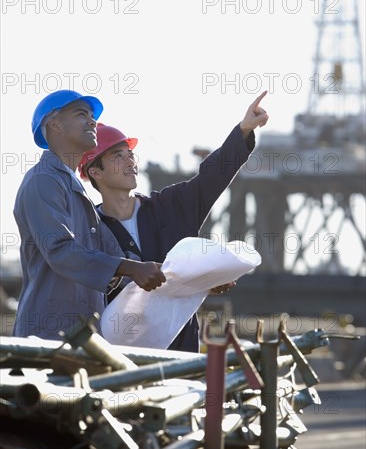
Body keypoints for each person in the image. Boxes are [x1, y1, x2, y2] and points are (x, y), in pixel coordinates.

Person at [78, 91, 269, 352]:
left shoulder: (169, 207)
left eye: (130, 153)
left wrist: (244, 130)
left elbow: (210, 179)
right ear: (95, 171)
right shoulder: (89, 229)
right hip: (117, 359)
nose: (130, 161)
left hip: (178, 356)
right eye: (117, 156)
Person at [12, 90, 166, 340]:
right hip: (46, 337)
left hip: (84, 337)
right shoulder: (43, 181)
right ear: (54, 125)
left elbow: (121, 261)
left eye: (92, 116)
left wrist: (194, 282)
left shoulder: (75, 190)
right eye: (81, 114)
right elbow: (60, 250)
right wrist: (131, 268)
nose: (93, 121)